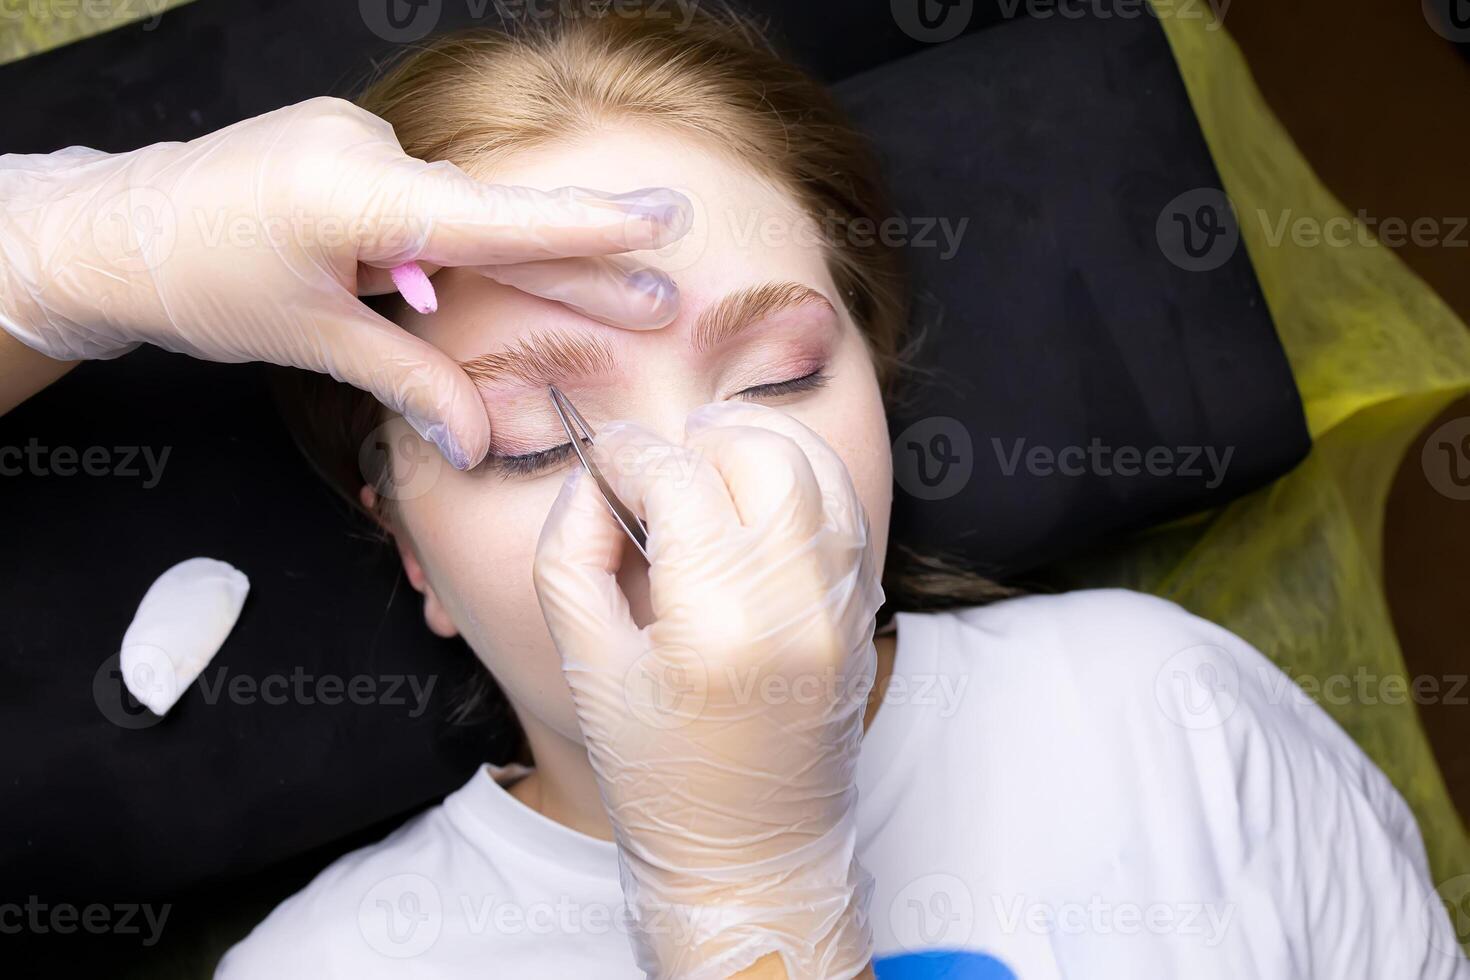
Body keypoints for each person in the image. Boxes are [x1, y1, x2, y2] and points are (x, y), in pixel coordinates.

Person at [3, 5, 1463, 979]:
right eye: (524, 438)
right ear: (415, 563)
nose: (686, 486)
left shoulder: (1165, 714)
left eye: (773, 380)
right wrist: (64, 255)